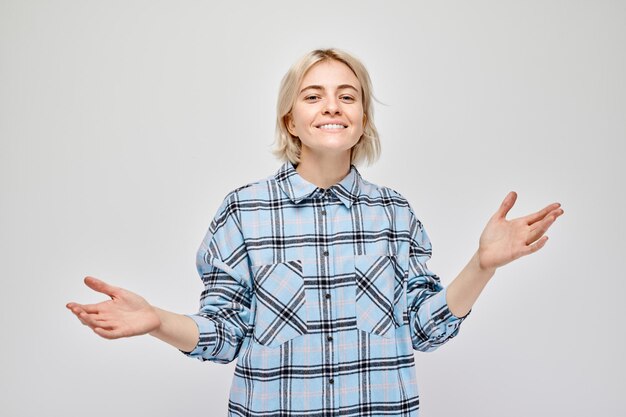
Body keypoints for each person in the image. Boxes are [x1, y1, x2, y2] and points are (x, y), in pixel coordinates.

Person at [66, 48, 564, 416]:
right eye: (313, 95)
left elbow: (423, 329)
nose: (332, 106)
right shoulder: (243, 212)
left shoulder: (394, 214)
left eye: (347, 96)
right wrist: (156, 320)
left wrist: (481, 266)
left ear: (362, 119)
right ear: (291, 121)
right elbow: (226, 334)